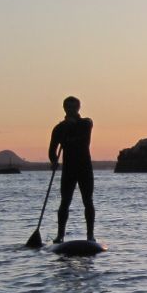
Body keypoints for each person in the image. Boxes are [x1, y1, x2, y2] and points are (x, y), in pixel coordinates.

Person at [49, 95, 94, 243]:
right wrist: (54, 160)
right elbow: (52, 150)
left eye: (74, 107)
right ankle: (60, 235)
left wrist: (69, 129)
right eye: (69, 108)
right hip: (69, 169)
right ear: (64, 108)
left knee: (88, 201)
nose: (71, 110)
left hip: (84, 168)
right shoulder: (59, 128)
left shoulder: (86, 123)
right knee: (65, 202)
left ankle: (90, 236)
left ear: (78, 108)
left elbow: (82, 140)